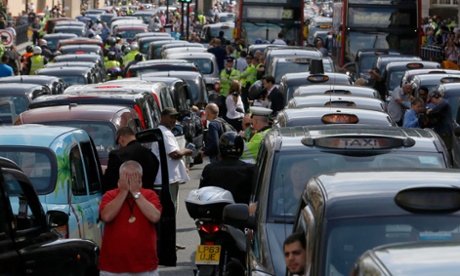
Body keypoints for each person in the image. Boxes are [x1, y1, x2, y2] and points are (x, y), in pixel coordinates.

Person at [98, 160, 162, 275]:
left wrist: (136, 194)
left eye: (133, 179)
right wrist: (123, 193)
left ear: (140, 179)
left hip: (144, 266)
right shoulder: (110, 195)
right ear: (119, 179)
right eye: (126, 179)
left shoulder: (149, 195)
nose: (130, 183)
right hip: (112, 267)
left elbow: (155, 217)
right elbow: (106, 216)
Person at [151, 107, 193, 212]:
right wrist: (187, 151)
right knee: (170, 209)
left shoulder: (161, 131)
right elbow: (174, 154)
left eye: (175, 117)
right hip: (168, 179)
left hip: (164, 178)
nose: (174, 120)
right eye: (171, 117)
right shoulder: (165, 133)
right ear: (163, 117)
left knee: (166, 209)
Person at [200, 131, 255, 204]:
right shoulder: (250, 169)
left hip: (215, 212)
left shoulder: (209, 169)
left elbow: (201, 195)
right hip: (242, 212)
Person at [103, 127, 159, 193]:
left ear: (121, 138)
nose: (119, 146)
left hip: (124, 199)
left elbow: (109, 184)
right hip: (147, 199)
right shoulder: (151, 156)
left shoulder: (116, 155)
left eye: (118, 143)